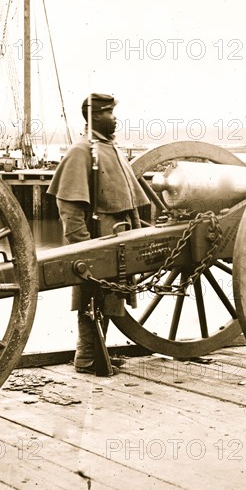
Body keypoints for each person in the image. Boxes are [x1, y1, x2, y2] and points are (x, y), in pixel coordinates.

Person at [47, 93, 149, 375]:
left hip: (118, 237)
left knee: (109, 298)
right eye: (108, 113)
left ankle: (97, 353)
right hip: (99, 239)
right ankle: (86, 356)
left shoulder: (109, 148)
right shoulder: (82, 151)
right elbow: (69, 209)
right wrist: (85, 248)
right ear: (95, 117)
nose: (114, 118)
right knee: (91, 299)